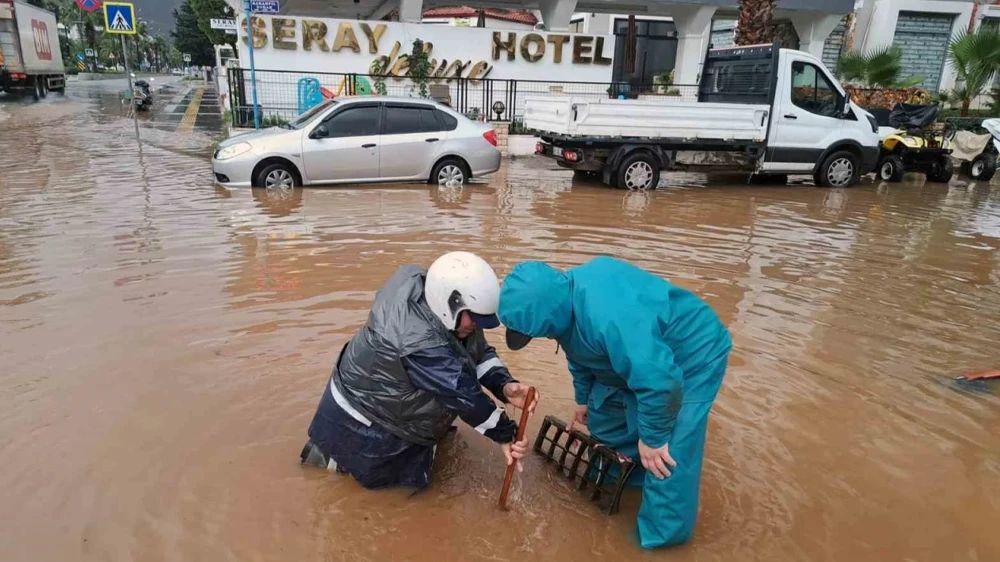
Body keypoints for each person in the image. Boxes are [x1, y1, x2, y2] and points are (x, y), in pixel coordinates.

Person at [497, 256, 731, 549]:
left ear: (548, 319)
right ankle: (623, 479)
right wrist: (582, 400)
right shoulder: (562, 301)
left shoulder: (610, 317)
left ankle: (659, 542)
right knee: (604, 413)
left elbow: (661, 382)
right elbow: (579, 354)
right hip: (645, 360)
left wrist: (654, 438)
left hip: (690, 356)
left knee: (666, 458)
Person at [301, 252, 536, 490]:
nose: (476, 325)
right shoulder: (419, 341)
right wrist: (507, 433)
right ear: (450, 304)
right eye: (474, 318)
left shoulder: (444, 309)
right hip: (366, 427)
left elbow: (477, 352)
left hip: (394, 408)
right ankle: (331, 461)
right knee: (391, 492)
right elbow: (463, 394)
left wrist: (504, 385)